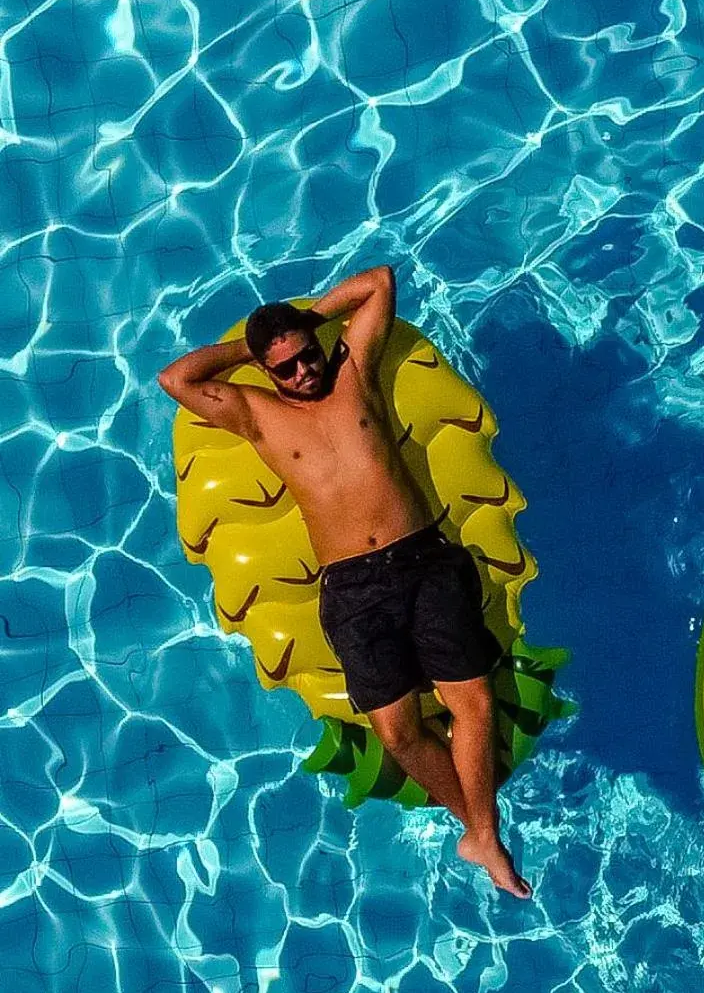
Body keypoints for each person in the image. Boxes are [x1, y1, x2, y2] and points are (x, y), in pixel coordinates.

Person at [157, 267, 531, 898]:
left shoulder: (354, 373)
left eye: (306, 357)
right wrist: (253, 350)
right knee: (397, 732)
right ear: (265, 374)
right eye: (287, 369)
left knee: (475, 703)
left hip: (423, 560)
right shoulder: (257, 415)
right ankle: (474, 828)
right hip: (354, 591)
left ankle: (485, 839)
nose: (303, 373)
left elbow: (380, 282)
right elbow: (177, 378)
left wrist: (315, 318)